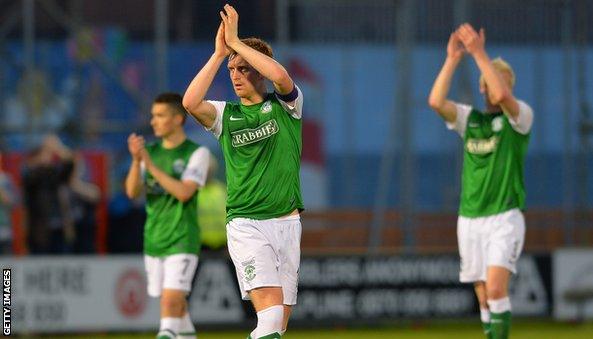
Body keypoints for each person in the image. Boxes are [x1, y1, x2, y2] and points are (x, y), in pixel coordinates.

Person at [182, 4, 304, 338]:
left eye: (243, 68)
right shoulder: (226, 116)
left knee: (277, 327)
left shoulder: (286, 107)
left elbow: (282, 77)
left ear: (259, 72)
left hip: (288, 224)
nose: (234, 75)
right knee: (269, 320)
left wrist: (237, 43)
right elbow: (190, 103)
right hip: (247, 223)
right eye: (231, 69)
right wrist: (220, 54)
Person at [428, 23, 533, 339]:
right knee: (485, 298)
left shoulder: (519, 118)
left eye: (496, 81)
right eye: (485, 83)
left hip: (505, 217)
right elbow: (435, 101)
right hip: (470, 220)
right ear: (481, 88)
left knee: (498, 290)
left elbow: (502, 94)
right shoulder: (470, 120)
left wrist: (478, 52)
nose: (490, 87)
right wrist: (452, 59)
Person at [125, 93, 210, 339]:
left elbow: (185, 192)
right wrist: (136, 160)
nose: (153, 121)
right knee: (176, 306)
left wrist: (150, 166)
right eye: (153, 116)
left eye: (160, 116)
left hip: (182, 238)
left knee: (170, 304)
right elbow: (132, 191)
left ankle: (165, 334)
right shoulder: (149, 151)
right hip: (154, 238)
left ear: (177, 119)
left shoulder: (196, 153)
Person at [22, 135, 75, 254]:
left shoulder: (53, 174)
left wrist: (58, 148)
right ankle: (6, 274)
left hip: (59, 229)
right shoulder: (30, 175)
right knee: (38, 263)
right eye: (43, 154)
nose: (47, 157)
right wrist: (42, 159)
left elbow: (69, 165)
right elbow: (30, 177)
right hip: (38, 232)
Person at [197, 156, 227, 252]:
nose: (206, 173)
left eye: (208, 169)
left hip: (223, 247)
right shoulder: (190, 192)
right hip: (200, 247)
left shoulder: (222, 191)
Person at [0, 150, 17, 255]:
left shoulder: (6, 180)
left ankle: (6, 273)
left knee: (6, 267)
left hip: (4, 231)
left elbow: (13, 203)